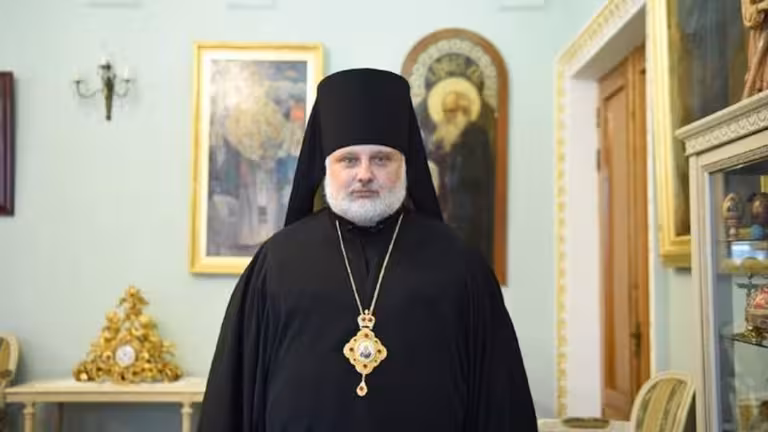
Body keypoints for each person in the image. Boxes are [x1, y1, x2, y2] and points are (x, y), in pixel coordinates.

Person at [197, 68, 538, 432]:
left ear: (405, 166)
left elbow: (499, 401)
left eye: (381, 159)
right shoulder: (276, 264)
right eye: (349, 160)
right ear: (326, 167)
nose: (364, 174)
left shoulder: (459, 266)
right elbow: (232, 399)